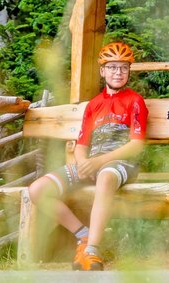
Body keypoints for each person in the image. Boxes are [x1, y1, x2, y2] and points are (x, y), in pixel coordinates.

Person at [26, 41, 148, 271]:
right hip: (91, 164)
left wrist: (97, 163)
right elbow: (81, 145)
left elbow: (136, 145)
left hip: (120, 165)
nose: (118, 72)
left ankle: (93, 249)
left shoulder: (135, 101)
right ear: (102, 71)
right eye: (112, 67)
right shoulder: (94, 105)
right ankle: (83, 236)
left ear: (129, 71)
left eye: (123, 67)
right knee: (37, 190)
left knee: (105, 176)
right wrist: (83, 164)